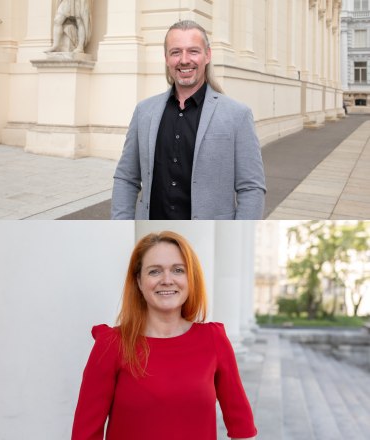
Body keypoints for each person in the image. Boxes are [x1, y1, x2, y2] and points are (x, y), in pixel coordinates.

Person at [72, 231, 257, 440]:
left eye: (178, 270)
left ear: (190, 279)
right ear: (139, 282)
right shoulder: (112, 344)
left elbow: (243, 427)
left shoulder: (213, 339)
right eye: (154, 272)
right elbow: (84, 434)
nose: (167, 280)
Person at [111, 20, 266, 220]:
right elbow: (126, 178)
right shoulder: (144, 112)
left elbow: (251, 188)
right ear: (166, 58)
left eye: (193, 51)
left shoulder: (237, 115)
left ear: (207, 55)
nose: (184, 60)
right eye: (176, 52)